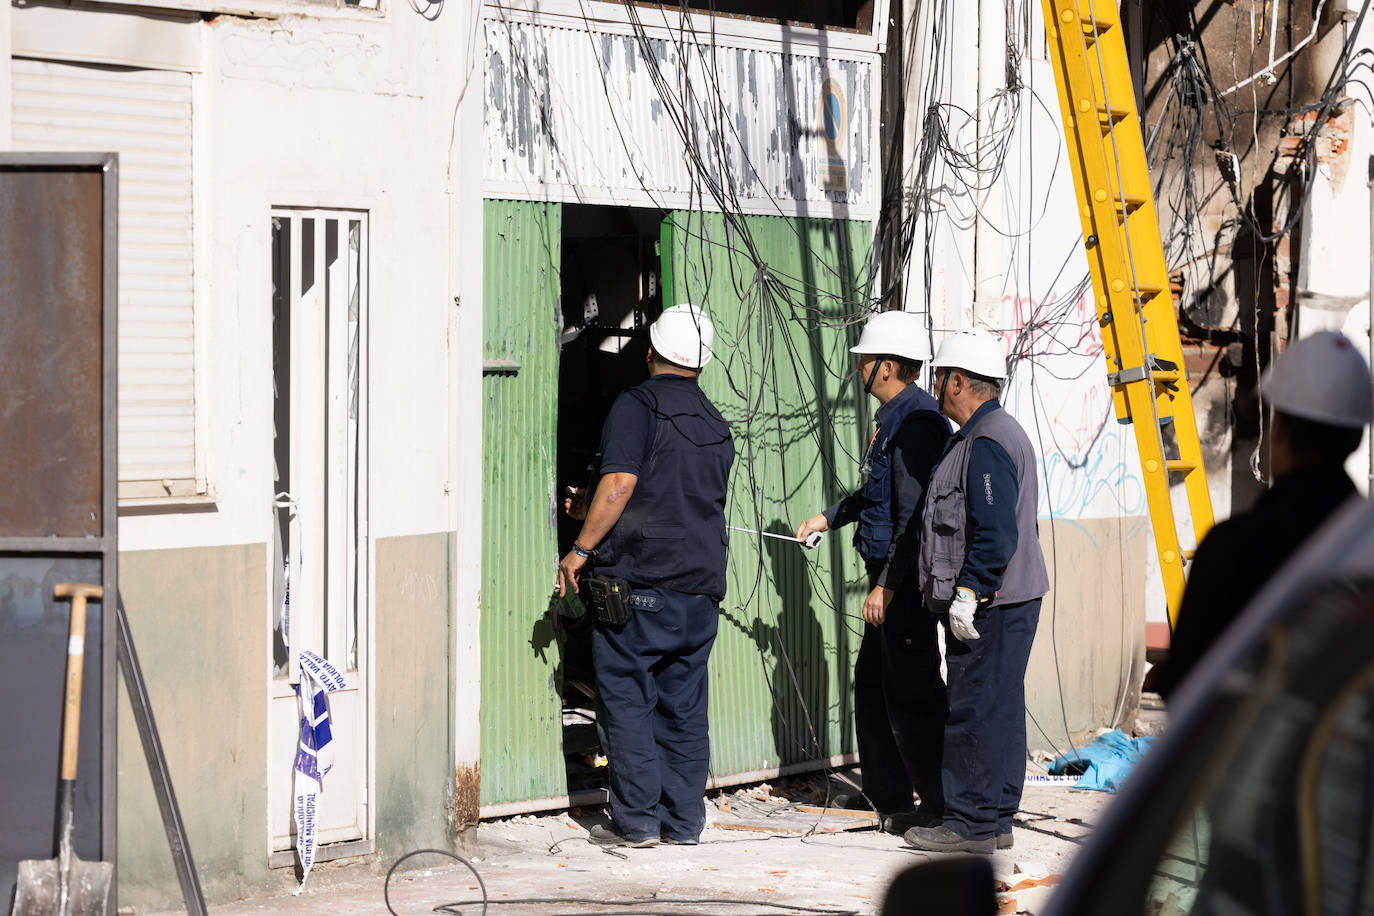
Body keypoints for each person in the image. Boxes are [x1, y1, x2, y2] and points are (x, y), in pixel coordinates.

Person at [555, 303, 735, 848]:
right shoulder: (715, 422)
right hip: (699, 589)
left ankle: (636, 823)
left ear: (651, 351)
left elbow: (622, 486)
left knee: (629, 699)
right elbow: (670, 492)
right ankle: (683, 824)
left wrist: (580, 549)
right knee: (683, 707)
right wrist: (595, 501)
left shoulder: (638, 405)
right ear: (701, 364)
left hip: (640, 583)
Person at [795, 310, 951, 834]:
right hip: (887, 579)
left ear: (885, 366)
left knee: (912, 693)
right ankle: (888, 796)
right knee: (874, 685)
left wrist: (887, 583)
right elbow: (877, 494)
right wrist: (829, 517)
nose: (857, 366)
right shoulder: (892, 419)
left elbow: (913, 515)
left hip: (901, 586)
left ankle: (935, 803)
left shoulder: (916, 423)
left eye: (864, 358)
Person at [1152, 330, 1373, 700]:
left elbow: (1187, 692)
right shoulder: (1363, 547)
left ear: (1280, 428)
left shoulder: (1234, 549)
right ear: (1356, 437)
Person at [903, 328, 1049, 855]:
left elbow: (995, 531)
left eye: (941, 378)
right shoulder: (992, 433)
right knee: (1001, 707)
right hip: (1009, 598)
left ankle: (969, 824)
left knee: (974, 707)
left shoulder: (986, 442)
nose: (936, 386)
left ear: (958, 380)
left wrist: (970, 590)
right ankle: (996, 816)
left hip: (993, 601)